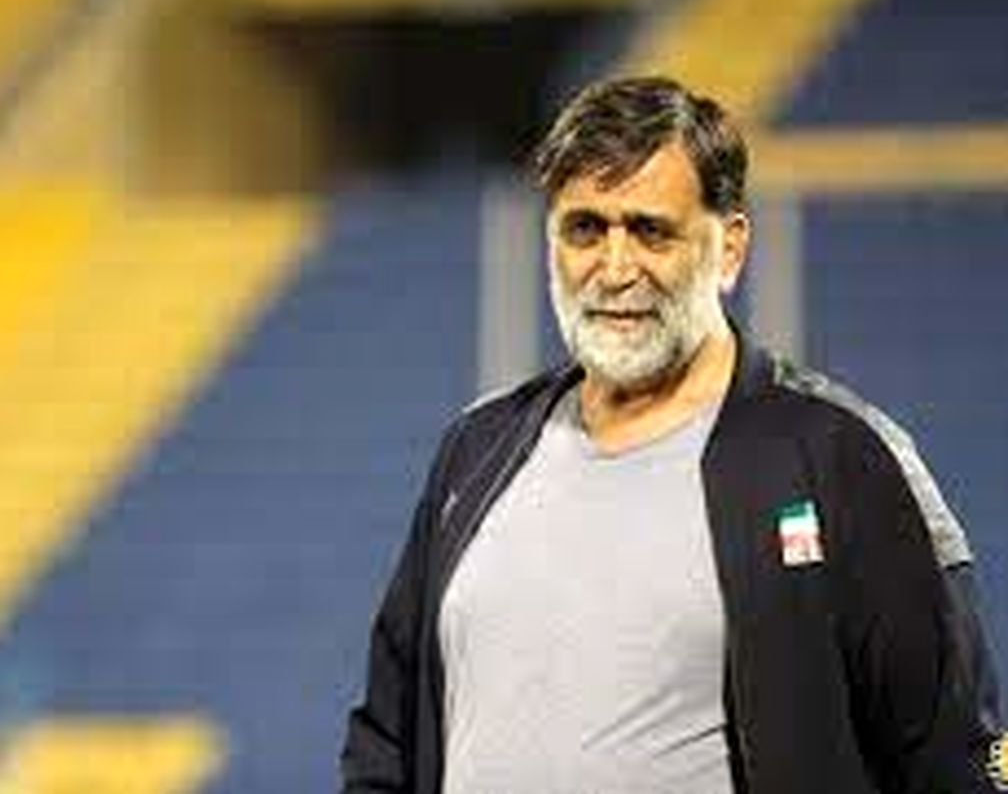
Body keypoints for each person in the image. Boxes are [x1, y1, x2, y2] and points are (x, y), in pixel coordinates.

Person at [339, 75, 1003, 794]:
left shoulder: (845, 458)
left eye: (651, 231)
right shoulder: (477, 450)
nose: (615, 269)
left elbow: (960, 755)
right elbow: (386, 744)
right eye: (585, 229)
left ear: (730, 248)